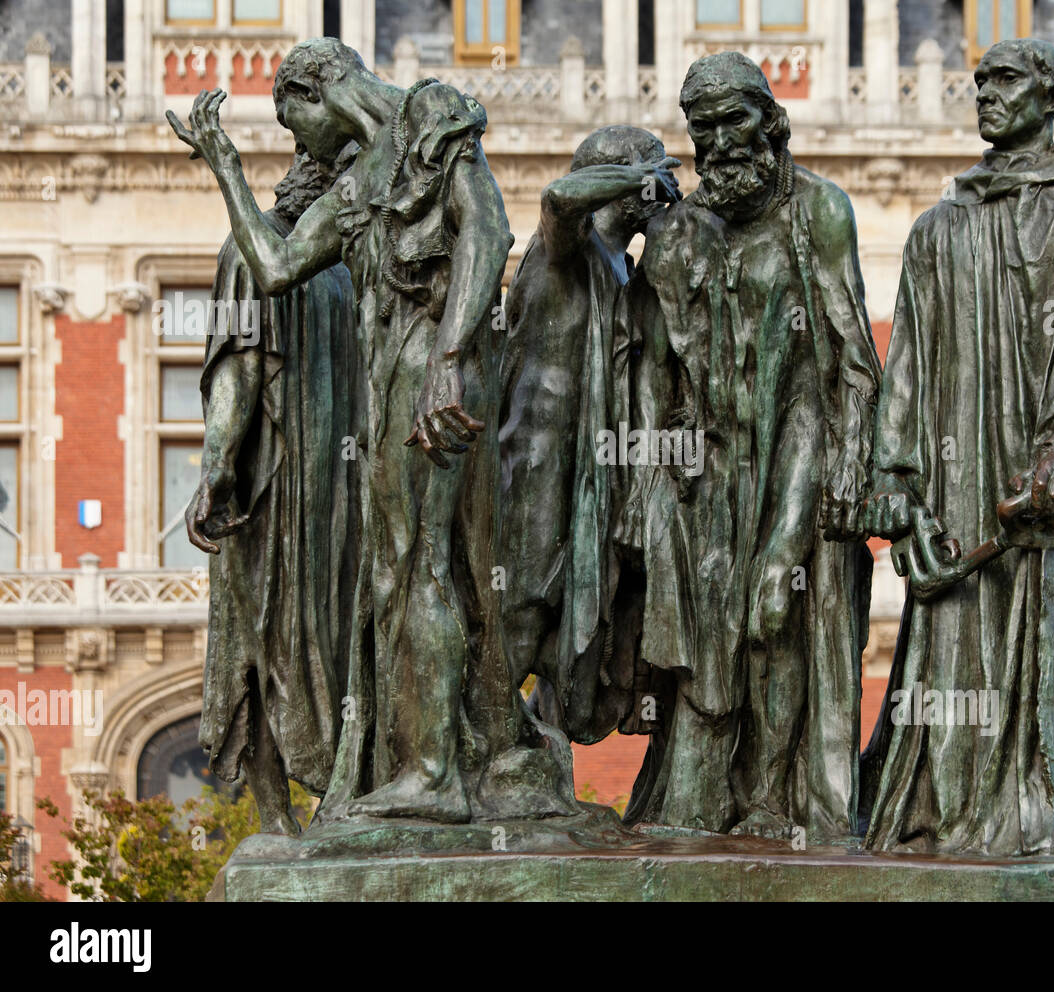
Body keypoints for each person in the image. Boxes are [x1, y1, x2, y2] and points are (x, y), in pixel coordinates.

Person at [169, 38, 577, 824]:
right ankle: (486, 751)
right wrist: (224, 168)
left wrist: (448, 361)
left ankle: (432, 776)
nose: (302, 148)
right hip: (404, 377)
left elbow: (488, 235)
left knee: (411, 566)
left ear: (318, 91)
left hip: (430, 371)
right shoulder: (356, 184)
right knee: (443, 568)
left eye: (297, 125)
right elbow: (279, 263)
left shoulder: (430, 112)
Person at [859, 39, 1054, 857]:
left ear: (1052, 94)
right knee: (962, 624)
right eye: (978, 83)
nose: (985, 96)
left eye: (1004, 82)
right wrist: (893, 477)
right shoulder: (940, 224)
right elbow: (911, 361)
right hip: (966, 466)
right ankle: (960, 804)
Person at [619, 52, 880, 840]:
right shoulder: (675, 237)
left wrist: (843, 475)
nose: (721, 144)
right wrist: (646, 476)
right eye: (703, 130)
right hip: (702, 476)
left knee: (780, 613)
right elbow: (648, 366)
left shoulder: (819, 214)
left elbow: (850, 365)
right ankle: (703, 805)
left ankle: (776, 801)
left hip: (797, 457)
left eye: (735, 122)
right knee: (705, 648)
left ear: (772, 123)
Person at [187, 145, 359, 834]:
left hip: (300, 488)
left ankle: (285, 820)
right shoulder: (311, 260)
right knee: (296, 639)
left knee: (259, 637)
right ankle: (291, 817)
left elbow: (238, 369)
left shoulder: (321, 260)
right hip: (299, 486)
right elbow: (239, 369)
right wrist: (219, 468)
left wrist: (216, 471)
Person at [498, 126, 680, 745]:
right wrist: (640, 175)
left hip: (597, 470)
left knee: (570, 632)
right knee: (525, 601)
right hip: (538, 461)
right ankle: (476, 737)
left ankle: (534, 762)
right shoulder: (565, 246)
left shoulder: (626, 271)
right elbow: (556, 198)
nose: (666, 190)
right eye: (655, 173)